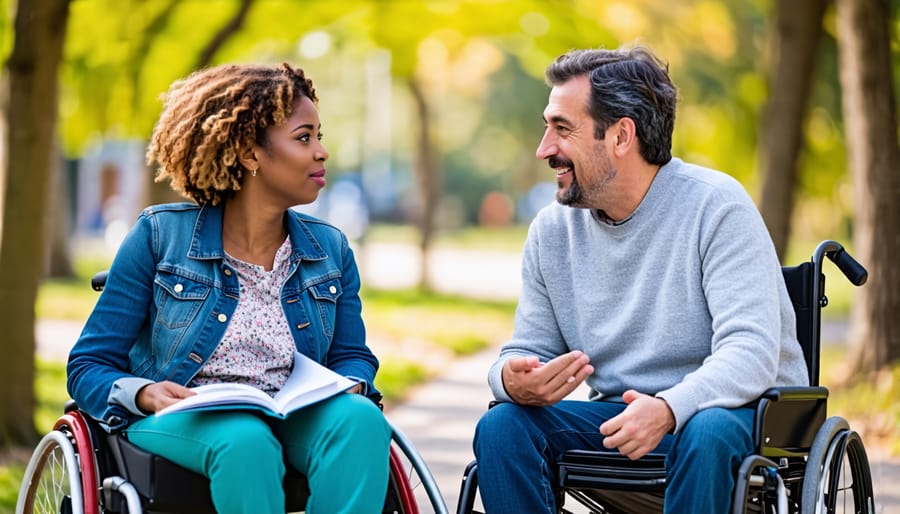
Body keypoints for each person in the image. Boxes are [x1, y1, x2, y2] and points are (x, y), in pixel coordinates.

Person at [471, 46, 809, 513]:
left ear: (621, 136)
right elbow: (528, 350)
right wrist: (510, 380)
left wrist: (670, 408)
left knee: (706, 429)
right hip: (624, 421)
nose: (544, 148)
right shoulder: (553, 231)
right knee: (503, 425)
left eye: (562, 128)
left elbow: (750, 354)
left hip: (740, 419)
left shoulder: (716, 207)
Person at [67, 62, 391, 514]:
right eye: (304, 137)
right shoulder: (159, 237)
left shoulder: (330, 249)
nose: (321, 152)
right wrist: (144, 393)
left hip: (293, 412)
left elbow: (351, 356)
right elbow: (88, 365)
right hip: (187, 415)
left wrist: (353, 383)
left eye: (320, 136)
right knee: (245, 441)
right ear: (249, 154)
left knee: (361, 421)